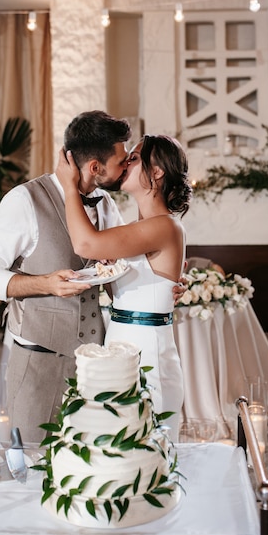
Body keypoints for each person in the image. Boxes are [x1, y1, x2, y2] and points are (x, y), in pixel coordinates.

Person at [0, 111, 132, 443]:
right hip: (38, 361)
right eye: (122, 161)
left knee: (85, 470)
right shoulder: (24, 200)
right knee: (30, 464)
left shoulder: (105, 204)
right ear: (94, 168)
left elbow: (117, 265)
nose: (127, 167)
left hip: (92, 364)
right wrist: (45, 283)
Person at [56, 134, 192, 441]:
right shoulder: (136, 228)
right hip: (118, 342)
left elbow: (85, 243)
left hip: (148, 352)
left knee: (146, 446)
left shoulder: (165, 226)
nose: (125, 162)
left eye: (134, 157)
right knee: (117, 448)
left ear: (157, 172)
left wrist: (68, 187)